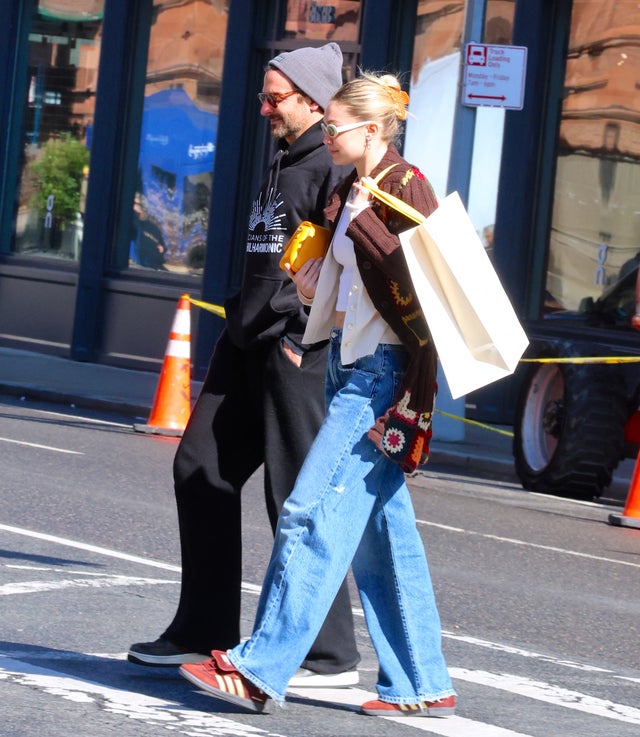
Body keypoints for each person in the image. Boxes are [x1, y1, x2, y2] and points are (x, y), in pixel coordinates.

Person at [178, 72, 456, 718]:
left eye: (334, 126)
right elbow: (353, 292)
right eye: (326, 125)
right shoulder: (354, 189)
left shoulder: (404, 186)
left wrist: (361, 237)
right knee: (383, 533)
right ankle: (422, 679)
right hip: (350, 362)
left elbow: (429, 284)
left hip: (381, 374)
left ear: (370, 127)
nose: (326, 135)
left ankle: (258, 667)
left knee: (307, 509)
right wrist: (312, 291)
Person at [128, 43, 361, 687]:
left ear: (315, 101)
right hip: (247, 339)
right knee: (200, 465)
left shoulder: (328, 166)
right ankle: (202, 627)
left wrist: (294, 327)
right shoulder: (287, 156)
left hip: (293, 347)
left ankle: (326, 653)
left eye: (274, 97)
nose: (263, 108)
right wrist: (242, 316)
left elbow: (333, 264)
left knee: (294, 493)